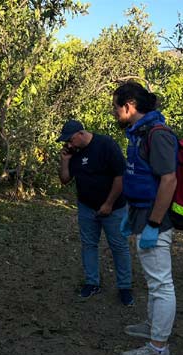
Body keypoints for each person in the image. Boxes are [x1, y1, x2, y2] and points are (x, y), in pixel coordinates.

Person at [112, 81, 178, 355]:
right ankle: (153, 328)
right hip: (141, 215)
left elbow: (169, 180)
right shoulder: (138, 133)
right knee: (153, 281)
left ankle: (158, 350)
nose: (114, 113)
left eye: (116, 107)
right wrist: (131, 215)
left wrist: (153, 223)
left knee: (162, 285)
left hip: (155, 220)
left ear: (129, 106)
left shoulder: (157, 135)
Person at [58, 119, 133, 305]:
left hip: (113, 208)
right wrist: (65, 161)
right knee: (89, 244)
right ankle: (92, 283)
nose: (68, 144)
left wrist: (108, 204)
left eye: (70, 140)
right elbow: (65, 179)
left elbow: (120, 176)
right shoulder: (73, 153)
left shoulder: (106, 145)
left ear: (81, 134)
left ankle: (125, 287)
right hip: (86, 207)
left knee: (119, 246)